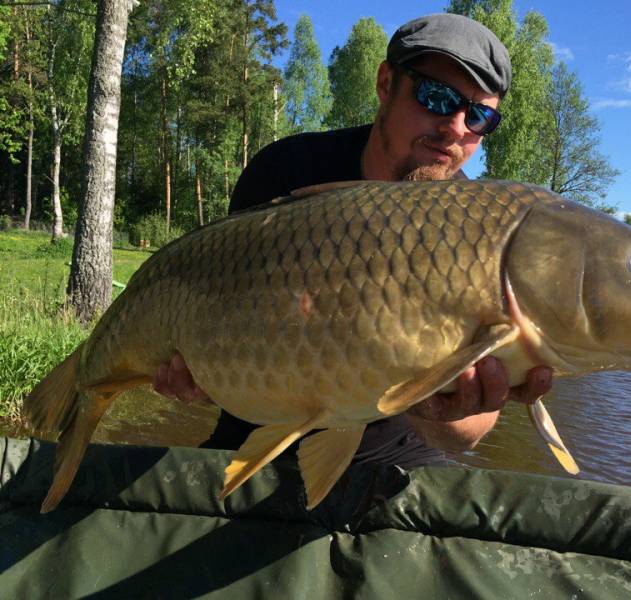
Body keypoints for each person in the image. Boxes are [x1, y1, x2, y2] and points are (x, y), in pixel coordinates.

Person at [153, 14, 553, 470]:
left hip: (400, 455)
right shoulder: (284, 172)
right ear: (386, 83)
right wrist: (201, 376)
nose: (456, 127)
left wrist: (430, 400)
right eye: (437, 97)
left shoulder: (481, 229)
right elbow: (213, 317)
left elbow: (467, 436)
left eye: (479, 115)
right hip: (258, 437)